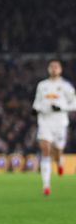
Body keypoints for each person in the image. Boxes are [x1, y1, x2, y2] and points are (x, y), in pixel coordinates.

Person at [32, 59, 76, 196]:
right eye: (52, 66)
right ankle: (46, 185)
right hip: (45, 121)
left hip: (60, 123)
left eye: (56, 66)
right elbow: (37, 102)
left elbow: (74, 104)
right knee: (45, 150)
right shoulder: (42, 85)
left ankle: (60, 161)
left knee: (57, 151)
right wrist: (35, 109)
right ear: (48, 69)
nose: (54, 69)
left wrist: (61, 108)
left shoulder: (66, 86)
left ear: (60, 69)